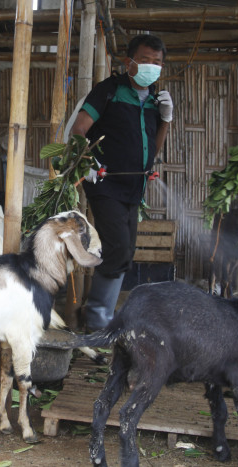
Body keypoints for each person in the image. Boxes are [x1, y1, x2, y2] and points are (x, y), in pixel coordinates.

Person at [70, 34, 173, 332]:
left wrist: (165, 119)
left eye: (157, 62)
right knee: (116, 246)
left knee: (125, 251)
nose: (151, 67)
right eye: (145, 60)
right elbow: (79, 129)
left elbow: (154, 149)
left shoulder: (154, 99)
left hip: (133, 188)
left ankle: (99, 311)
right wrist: (86, 160)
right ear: (129, 62)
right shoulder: (109, 91)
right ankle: (98, 320)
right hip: (104, 183)